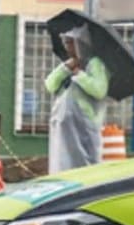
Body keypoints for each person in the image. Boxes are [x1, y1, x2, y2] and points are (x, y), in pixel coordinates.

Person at [44, 24, 110, 173]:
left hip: (85, 126)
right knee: (62, 164)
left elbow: (99, 90)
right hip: (63, 125)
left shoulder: (95, 64)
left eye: (71, 42)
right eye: (66, 42)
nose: (68, 47)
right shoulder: (69, 63)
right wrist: (65, 69)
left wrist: (79, 74)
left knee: (86, 165)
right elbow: (50, 85)